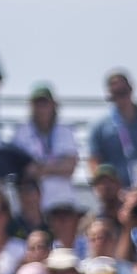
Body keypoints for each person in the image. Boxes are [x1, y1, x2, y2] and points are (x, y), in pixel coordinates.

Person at [14, 86, 82, 216]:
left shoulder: (65, 131)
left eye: (45, 104)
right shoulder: (21, 133)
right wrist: (56, 166)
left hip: (62, 202)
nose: (41, 109)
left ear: (53, 105)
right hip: (31, 206)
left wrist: (41, 169)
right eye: (37, 104)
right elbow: (21, 169)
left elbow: (70, 167)